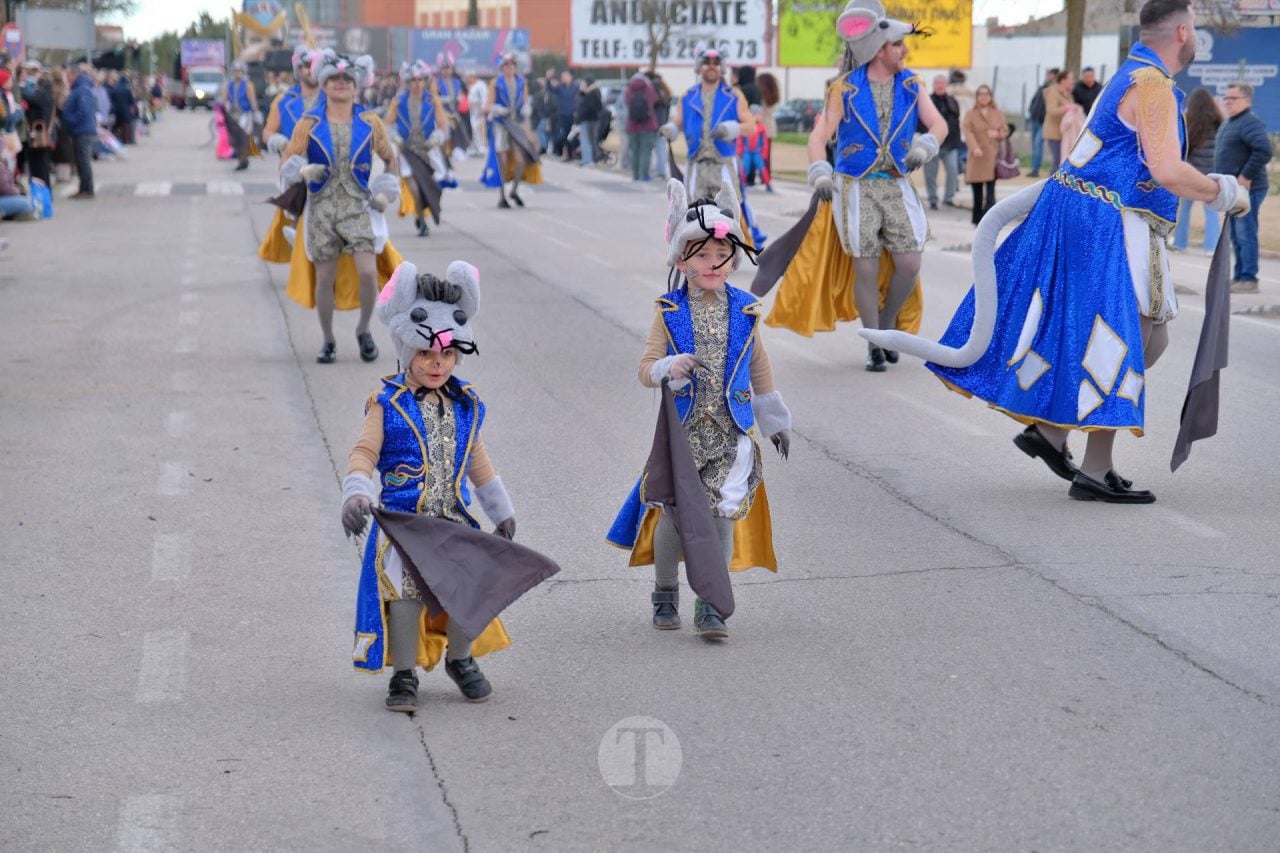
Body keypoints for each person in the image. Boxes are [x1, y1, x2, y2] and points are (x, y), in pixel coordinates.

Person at [859, 0, 1251, 504]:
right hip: (1107, 222)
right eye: (1193, 25)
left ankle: (1051, 432)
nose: (1195, 34)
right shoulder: (1151, 84)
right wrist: (1224, 193)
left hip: (1106, 218)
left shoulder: (1133, 74)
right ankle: (1094, 468)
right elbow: (1168, 170)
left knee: (1149, 340)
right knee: (1123, 338)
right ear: (1180, 32)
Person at [607, 180, 792, 640]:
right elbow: (646, 369)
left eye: (722, 255)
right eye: (702, 255)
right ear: (681, 261)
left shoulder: (745, 310)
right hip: (683, 436)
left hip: (732, 433)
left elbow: (758, 366)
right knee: (675, 516)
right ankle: (665, 593)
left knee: (721, 514)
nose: (713, 263)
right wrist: (669, 368)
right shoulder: (669, 311)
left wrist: (774, 421)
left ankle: (712, 604)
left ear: (733, 260)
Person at [341, 260, 517, 712]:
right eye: (425, 354)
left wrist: (500, 510)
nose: (437, 364)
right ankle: (403, 675)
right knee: (405, 594)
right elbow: (363, 453)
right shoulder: (386, 404)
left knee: (466, 585)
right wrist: (357, 492)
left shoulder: (465, 404)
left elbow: (476, 459)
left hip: (452, 519)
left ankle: (460, 659)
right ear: (406, 350)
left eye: (447, 355)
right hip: (404, 525)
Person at [791, 0, 945, 372]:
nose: (904, 51)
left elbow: (939, 124)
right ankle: (875, 342)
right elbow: (819, 137)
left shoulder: (911, 84)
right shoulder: (844, 89)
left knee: (910, 262)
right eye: (898, 45)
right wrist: (820, 172)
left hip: (895, 185)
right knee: (865, 268)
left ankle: (887, 323)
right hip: (855, 188)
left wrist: (925, 146)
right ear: (879, 50)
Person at [280, 50, 402, 364]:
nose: (341, 83)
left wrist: (386, 192)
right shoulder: (309, 123)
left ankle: (363, 330)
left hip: (358, 207)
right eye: (334, 78)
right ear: (323, 84)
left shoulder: (370, 122)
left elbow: (391, 160)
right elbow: (287, 161)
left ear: (356, 84)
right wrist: (303, 170)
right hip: (321, 208)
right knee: (324, 279)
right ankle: (328, 339)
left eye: (347, 78)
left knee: (367, 273)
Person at [661, 43, 763, 246]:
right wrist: (671, 129)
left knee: (730, 210)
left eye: (716, 62)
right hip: (697, 164)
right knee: (694, 211)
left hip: (723, 163)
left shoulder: (733, 96)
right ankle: (697, 250)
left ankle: (733, 250)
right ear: (699, 66)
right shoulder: (688, 96)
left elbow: (751, 125)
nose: (711, 66)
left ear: (721, 67)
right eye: (707, 62)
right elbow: (678, 122)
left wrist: (732, 129)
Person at [385, 59, 455, 236]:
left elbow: (442, 125)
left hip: (428, 149)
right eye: (412, 80)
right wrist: (395, 137)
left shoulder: (433, 101)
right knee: (414, 187)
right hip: (407, 150)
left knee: (434, 184)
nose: (416, 84)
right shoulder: (398, 101)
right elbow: (388, 124)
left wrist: (436, 138)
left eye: (419, 80)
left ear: (425, 81)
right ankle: (423, 222)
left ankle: (421, 210)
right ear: (407, 83)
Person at [1215, 82, 1272, 294]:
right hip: (1233, 191)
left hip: (1248, 190)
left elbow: (1264, 150)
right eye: (1226, 98)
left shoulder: (1250, 122)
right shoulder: (1231, 122)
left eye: (1233, 98)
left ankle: (1249, 278)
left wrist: (1246, 175)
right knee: (1236, 236)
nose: (1227, 102)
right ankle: (1239, 276)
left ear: (1246, 101)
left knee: (1245, 233)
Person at [480, 53, 542, 209]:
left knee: (521, 159)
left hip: (516, 125)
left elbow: (525, 102)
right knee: (502, 161)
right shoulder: (496, 83)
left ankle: (514, 190)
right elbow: (487, 106)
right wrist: (498, 109)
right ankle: (502, 195)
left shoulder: (522, 82)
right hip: (501, 124)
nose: (509, 68)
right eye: (506, 65)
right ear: (502, 68)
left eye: (512, 65)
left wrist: (527, 109)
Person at [1171, 87, 1221, 255]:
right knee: (1211, 211)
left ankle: (1180, 244)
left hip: (1192, 174)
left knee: (1185, 209)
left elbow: (1184, 149)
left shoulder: (1188, 122)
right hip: (1212, 174)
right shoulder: (1218, 121)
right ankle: (1211, 247)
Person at [262, 46, 319, 157]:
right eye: (308, 65)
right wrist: (279, 142)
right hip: (293, 161)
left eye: (316, 66)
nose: (312, 70)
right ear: (299, 69)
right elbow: (267, 133)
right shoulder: (282, 101)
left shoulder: (331, 99)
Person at [963, 85, 1007, 225]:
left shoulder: (997, 113)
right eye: (980, 94)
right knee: (977, 189)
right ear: (977, 97)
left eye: (986, 94)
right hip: (977, 155)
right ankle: (977, 218)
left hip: (992, 154)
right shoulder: (971, 114)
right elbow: (968, 132)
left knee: (990, 190)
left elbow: (1005, 130)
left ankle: (989, 219)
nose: (983, 97)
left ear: (990, 96)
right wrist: (974, 147)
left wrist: (998, 134)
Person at [922, 74, 961, 210]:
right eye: (937, 83)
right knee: (930, 173)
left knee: (952, 169)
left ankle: (949, 197)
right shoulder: (927, 101)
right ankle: (933, 199)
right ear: (934, 85)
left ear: (946, 85)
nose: (940, 86)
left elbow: (956, 121)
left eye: (942, 83)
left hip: (950, 144)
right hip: (932, 143)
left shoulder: (953, 101)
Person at [61, 63, 97, 200]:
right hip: (80, 130)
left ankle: (87, 189)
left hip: (83, 131)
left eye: (67, 75)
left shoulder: (82, 89)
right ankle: (83, 188)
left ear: (73, 75)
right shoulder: (79, 88)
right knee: (81, 161)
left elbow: (83, 112)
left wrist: (69, 119)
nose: (66, 78)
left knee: (83, 161)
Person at [20, 65, 54, 189]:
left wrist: (19, 86)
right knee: (42, 164)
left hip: (39, 133)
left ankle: (42, 189)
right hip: (44, 132)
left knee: (39, 164)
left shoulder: (42, 96)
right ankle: (45, 190)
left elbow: (27, 96)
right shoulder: (49, 96)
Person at [224, 61, 260, 171]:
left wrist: (255, 112)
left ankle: (243, 159)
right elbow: (226, 99)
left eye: (239, 71)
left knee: (243, 137)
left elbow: (252, 100)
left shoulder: (248, 84)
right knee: (234, 138)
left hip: (245, 113)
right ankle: (240, 157)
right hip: (233, 114)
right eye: (235, 71)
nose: (237, 74)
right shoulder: (229, 84)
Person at [624, 71, 658, 181]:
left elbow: (626, 102)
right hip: (647, 125)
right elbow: (654, 99)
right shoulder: (647, 88)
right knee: (645, 151)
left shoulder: (629, 89)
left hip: (632, 125)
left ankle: (635, 175)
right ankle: (644, 175)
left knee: (634, 151)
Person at [1026, 67, 1057, 178]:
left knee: (1038, 145)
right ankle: (1034, 168)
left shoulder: (1054, 90)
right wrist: (1031, 111)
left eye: (1051, 74)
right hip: (1034, 119)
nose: (1049, 76)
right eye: (1048, 74)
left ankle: (1035, 169)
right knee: (1034, 146)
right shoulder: (1042, 87)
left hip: (1043, 122)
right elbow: (1034, 100)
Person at [1042, 69, 1073, 167]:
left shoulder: (1067, 93)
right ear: (1063, 80)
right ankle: (1052, 177)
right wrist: (1066, 108)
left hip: (1064, 132)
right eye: (1070, 79)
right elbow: (1051, 111)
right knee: (1057, 160)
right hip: (1054, 133)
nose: (1072, 81)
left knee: (1063, 161)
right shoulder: (1053, 92)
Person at [738, 105, 772, 191]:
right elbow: (740, 139)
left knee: (762, 168)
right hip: (747, 152)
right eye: (758, 114)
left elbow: (764, 142)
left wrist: (764, 153)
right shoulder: (746, 126)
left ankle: (768, 184)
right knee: (744, 168)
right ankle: (741, 184)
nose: (760, 116)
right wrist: (740, 151)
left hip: (757, 153)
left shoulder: (761, 128)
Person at [573, 75, 603, 167]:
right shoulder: (589, 93)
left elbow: (586, 108)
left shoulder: (591, 93)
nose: (581, 85)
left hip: (588, 119)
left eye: (583, 83)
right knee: (588, 140)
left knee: (587, 140)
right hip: (589, 119)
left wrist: (578, 118)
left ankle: (589, 159)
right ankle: (588, 159)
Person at [465, 72, 487, 154]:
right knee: (474, 128)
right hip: (472, 110)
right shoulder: (471, 85)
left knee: (480, 128)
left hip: (479, 110)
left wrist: (483, 109)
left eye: (469, 77)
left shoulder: (480, 85)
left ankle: (482, 147)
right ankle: (476, 146)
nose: (468, 79)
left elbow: (484, 98)